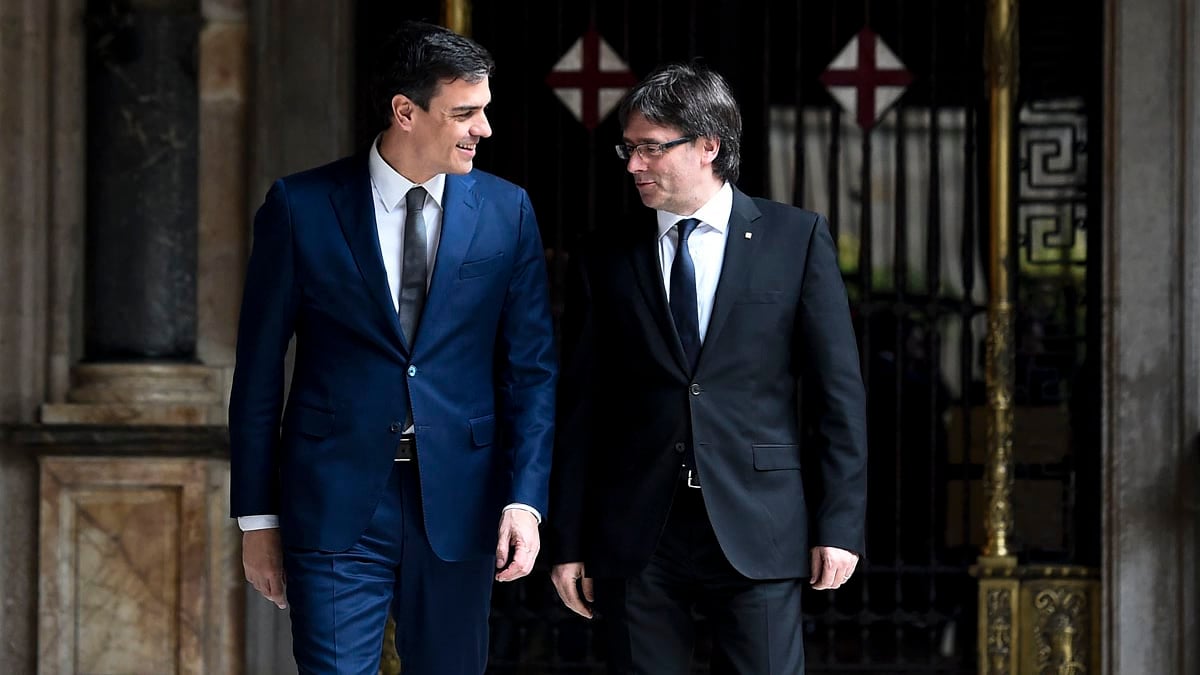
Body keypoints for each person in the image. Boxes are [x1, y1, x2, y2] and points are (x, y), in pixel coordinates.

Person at [228, 20, 556, 674]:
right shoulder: (301, 205)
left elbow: (531, 371)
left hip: (461, 499)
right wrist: (257, 517)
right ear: (405, 112)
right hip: (334, 498)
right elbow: (259, 370)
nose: (483, 129)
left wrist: (525, 497)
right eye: (464, 113)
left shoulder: (508, 211)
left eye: (484, 110)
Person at [547, 62, 868, 674]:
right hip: (637, 532)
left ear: (708, 146)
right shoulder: (605, 254)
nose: (633, 164)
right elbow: (582, 406)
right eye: (629, 148)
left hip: (761, 523)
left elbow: (837, 397)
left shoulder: (795, 239)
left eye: (649, 148)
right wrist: (569, 540)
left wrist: (841, 524)